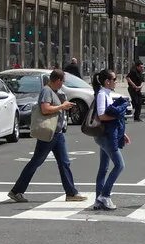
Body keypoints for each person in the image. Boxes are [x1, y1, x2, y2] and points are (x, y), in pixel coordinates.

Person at [7, 69, 86, 204]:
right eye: (62, 82)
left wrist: (64, 105)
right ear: (58, 80)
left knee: (64, 163)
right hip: (49, 133)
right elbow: (45, 109)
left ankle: (71, 193)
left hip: (57, 133)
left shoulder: (55, 92)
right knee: (36, 161)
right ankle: (16, 191)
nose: (63, 84)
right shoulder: (46, 91)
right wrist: (62, 106)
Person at [92, 70, 130, 211]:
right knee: (120, 165)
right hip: (106, 136)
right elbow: (102, 116)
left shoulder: (106, 94)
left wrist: (122, 133)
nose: (116, 81)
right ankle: (105, 196)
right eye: (114, 79)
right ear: (107, 81)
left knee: (104, 167)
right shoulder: (102, 94)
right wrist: (118, 117)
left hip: (107, 135)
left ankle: (98, 200)